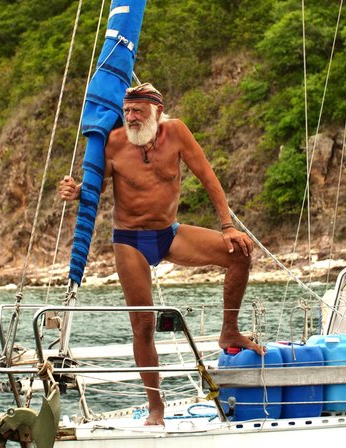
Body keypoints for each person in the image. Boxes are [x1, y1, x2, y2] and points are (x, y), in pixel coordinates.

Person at [59, 83, 262, 425]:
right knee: (143, 324)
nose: (131, 117)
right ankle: (156, 407)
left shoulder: (177, 133)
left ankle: (229, 330)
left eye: (138, 111)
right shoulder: (113, 143)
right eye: (127, 111)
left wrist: (227, 225)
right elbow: (98, 186)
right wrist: (77, 191)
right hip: (129, 240)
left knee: (239, 252)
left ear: (156, 111)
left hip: (169, 234)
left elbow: (208, 177)